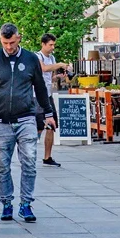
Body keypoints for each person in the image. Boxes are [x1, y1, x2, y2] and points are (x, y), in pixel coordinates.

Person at [0, 23, 56, 223]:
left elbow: (40, 88)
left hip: (26, 117)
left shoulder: (30, 59)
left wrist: (48, 113)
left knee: (29, 162)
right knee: (3, 165)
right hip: (1, 120)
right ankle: (6, 203)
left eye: (12, 42)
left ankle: (26, 204)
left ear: (19, 37)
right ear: (0, 39)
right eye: (5, 43)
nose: (9, 47)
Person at [35, 33, 69, 168]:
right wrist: (60, 64)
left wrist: (59, 76)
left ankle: (47, 157)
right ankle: (28, 154)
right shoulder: (37, 56)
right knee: (38, 127)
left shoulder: (52, 57)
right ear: (43, 44)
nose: (52, 47)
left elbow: (50, 77)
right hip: (36, 96)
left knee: (51, 126)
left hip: (48, 95)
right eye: (50, 45)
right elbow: (43, 68)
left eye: (54, 45)